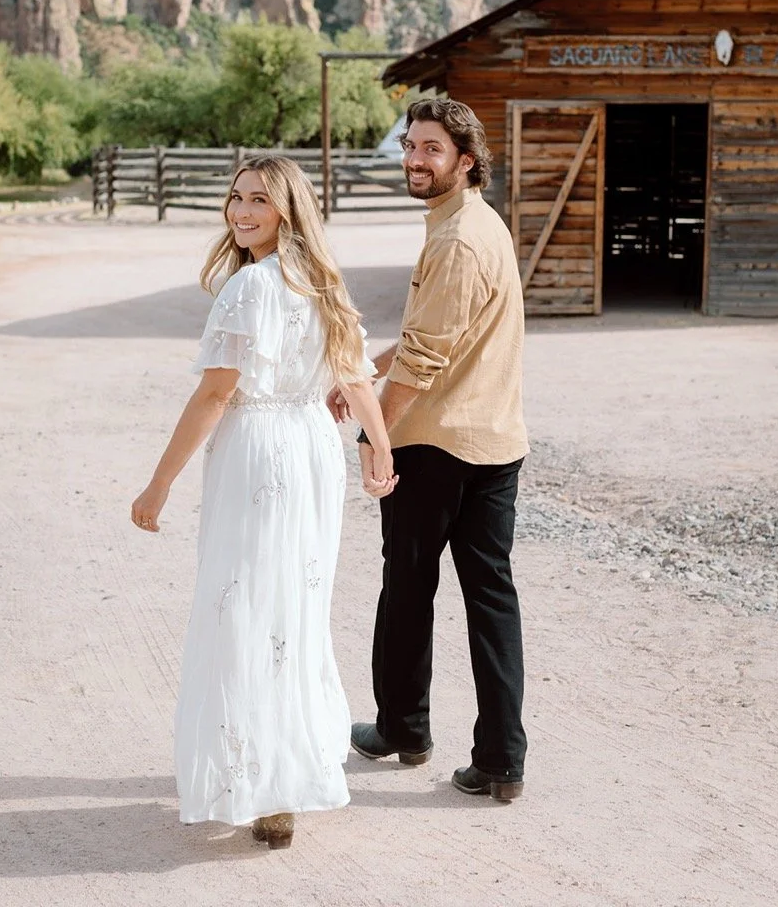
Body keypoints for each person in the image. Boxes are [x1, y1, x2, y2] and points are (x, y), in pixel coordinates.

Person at [131, 156, 396, 851]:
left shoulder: (250, 287)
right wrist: (378, 446)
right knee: (292, 613)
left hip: (259, 448)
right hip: (311, 448)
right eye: (235, 198)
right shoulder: (322, 283)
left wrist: (159, 482)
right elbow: (357, 377)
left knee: (245, 609)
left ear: (288, 210)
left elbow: (217, 393)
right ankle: (282, 783)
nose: (242, 212)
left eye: (259, 200)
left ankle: (258, 781)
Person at [331, 99, 530, 802]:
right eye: (411, 146)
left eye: (432, 149)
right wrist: (367, 373)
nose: (415, 159)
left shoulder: (455, 241)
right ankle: (503, 761)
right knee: (491, 599)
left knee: (408, 590)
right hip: (496, 440)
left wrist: (372, 435)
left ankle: (402, 730)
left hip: (439, 448)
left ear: (465, 160)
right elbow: (434, 334)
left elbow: (424, 359)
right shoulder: (479, 224)